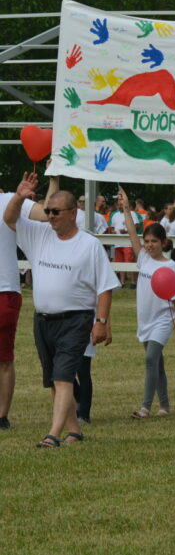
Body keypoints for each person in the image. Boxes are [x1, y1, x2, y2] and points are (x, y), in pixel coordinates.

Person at [4, 172, 119, 447]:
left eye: (56, 212)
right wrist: (20, 197)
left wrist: (101, 321)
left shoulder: (89, 245)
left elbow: (105, 287)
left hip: (76, 319)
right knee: (54, 381)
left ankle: (52, 434)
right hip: (43, 320)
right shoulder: (39, 235)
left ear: (73, 213)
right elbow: (9, 220)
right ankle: (74, 431)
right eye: (48, 211)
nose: (50, 216)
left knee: (63, 376)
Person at [119, 189, 175, 420]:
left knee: (150, 360)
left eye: (154, 241)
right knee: (157, 364)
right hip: (145, 319)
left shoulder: (171, 266)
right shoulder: (143, 258)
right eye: (146, 241)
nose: (148, 245)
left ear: (163, 242)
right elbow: (130, 233)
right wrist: (127, 208)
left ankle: (145, 407)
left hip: (163, 320)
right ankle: (165, 406)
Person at [0, 175, 47, 430]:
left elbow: (48, 213)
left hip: (3, 290)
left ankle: (2, 416)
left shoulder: (9, 200)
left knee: (4, 357)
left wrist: (53, 180)